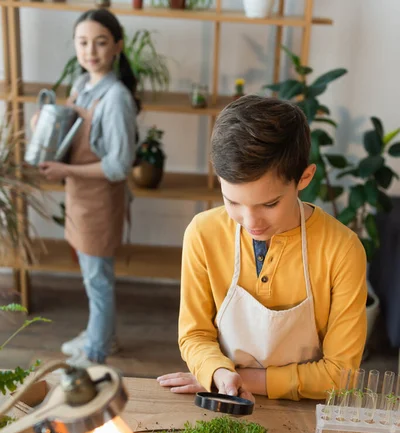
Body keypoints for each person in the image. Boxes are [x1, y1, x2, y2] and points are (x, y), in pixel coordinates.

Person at [158, 95, 367, 401]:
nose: (250, 220)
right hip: (225, 400)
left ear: (304, 178)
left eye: (269, 203)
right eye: (232, 201)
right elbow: (195, 335)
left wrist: (240, 379)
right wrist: (218, 373)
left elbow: (340, 375)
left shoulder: (342, 250)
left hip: (308, 412)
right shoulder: (203, 234)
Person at [38, 9, 139, 368]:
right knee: (90, 274)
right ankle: (101, 335)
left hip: (99, 203)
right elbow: (70, 132)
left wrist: (65, 169)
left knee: (98, 280)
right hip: (79, 198)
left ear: (117, 46)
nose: (90, 51)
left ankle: (96, 352)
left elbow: (118, 165)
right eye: (83, 42)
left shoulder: (115, 99)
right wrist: (45, 125)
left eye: (100, 42)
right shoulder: (83, 85)